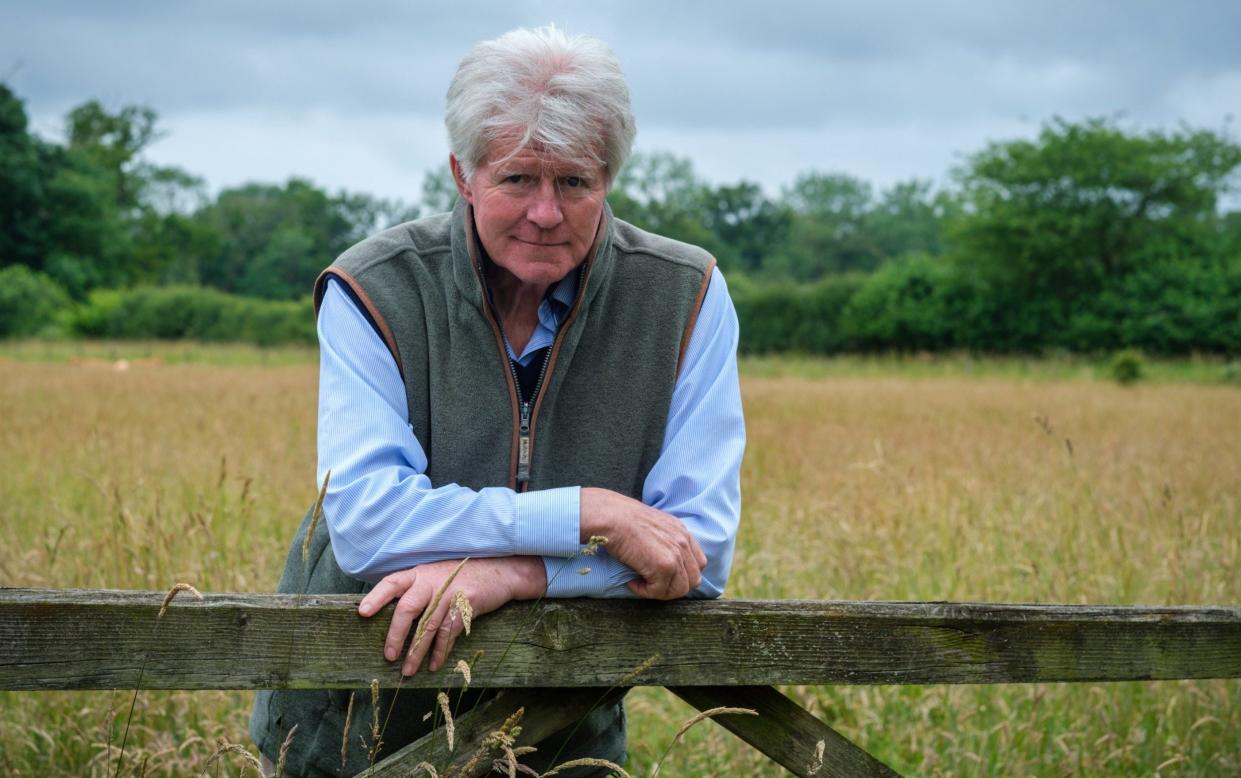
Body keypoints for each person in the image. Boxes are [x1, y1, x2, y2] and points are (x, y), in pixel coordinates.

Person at [250, 25, 745, 777]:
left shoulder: (685, 296)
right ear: (463, 172)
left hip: (561, 732)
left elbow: (695, 552)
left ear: (608, 178)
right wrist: (587, 516)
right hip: (349, 722)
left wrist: (517, 574)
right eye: (517, 179)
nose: (545, 212)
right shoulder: (373, 287)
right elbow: (367, 522)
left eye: (574, 183)